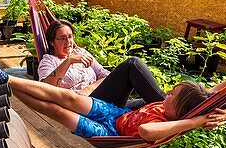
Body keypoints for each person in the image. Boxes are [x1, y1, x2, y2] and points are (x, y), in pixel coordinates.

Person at [0, 58, 226, 142]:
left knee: (57, 111)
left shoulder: (168, 124)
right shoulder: (173, 107)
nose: (166, 94)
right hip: (114, 113)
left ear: (182, 111)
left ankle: (7, 88)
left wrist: (194, 123)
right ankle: (6, 80)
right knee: (66, 97)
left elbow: (145, 130)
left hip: (109, 132)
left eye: (172, 95)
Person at [39, 19, 172, 110]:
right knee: (132, 64)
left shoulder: (81, 52)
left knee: (149, 103)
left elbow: (104, 75)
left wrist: (88, 89)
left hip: (99, 101)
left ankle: (172, 106)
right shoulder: (49, 61)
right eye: (62, 38)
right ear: (52, 42)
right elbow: (46, 89)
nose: (68, 41)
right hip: (83, 107)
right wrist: (69, 61)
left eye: (70, 36)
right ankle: (171, 106)